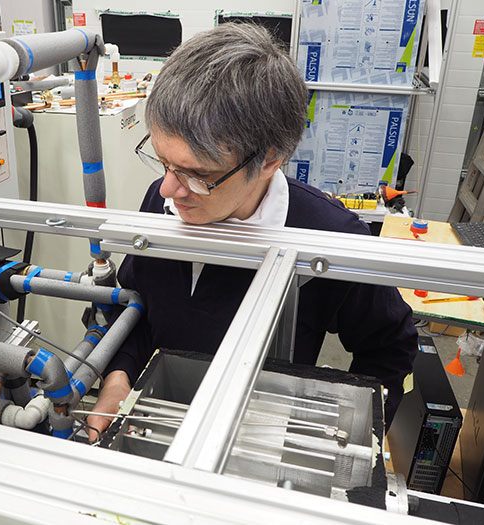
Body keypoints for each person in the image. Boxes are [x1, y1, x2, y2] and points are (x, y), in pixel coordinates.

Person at [87, 23, 417, 439]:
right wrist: (118, 380)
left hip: (256, 439)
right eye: (163, 162)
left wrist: (335, 440)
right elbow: (136, 308)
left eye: (196, 174)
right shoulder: (165, 200)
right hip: (154, 422)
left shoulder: (328, 236)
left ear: (270, 158)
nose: (168, 188)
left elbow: (390, 348)